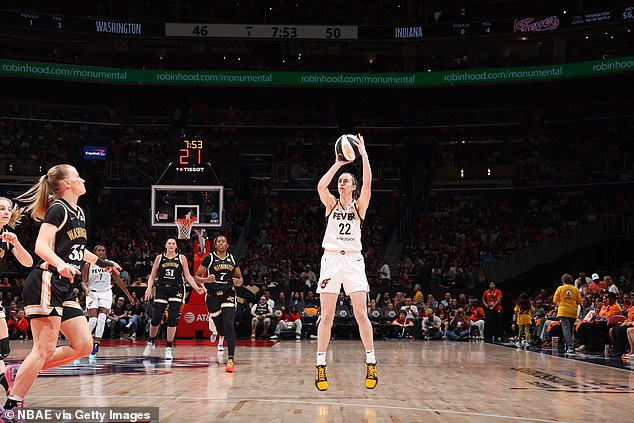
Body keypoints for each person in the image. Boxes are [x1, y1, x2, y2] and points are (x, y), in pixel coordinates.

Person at [1, 165, 121, 417]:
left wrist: (102, 263)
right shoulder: (58, 209)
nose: (83, 179)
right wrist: (61, 264)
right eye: (78, 176)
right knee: (43, 349)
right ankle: (11, 407)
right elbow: (41, 246)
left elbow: (78, 250)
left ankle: (20, 371)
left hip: (64, 287)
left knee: (83, 345)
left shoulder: (79, 211)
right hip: (46, 280)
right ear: (66, 184)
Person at [314, 134, 377, 391]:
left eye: (346, 181)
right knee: (326, 316)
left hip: (353, 260)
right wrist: (339, 164)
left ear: (353, 187)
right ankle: (320, 366)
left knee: (361, 313)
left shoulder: (359, 206)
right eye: (340, 181)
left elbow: (369, 183)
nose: (341, 183)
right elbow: (320, 186)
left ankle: (371, 362)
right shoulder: (330, 204)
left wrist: (363, 155)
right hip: (330, 259)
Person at [143, 238, 205, 360]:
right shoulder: (159, 258)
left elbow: (187, 276)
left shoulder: (181, 258)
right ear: (166, 245)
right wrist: (149, 288)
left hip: (176, 289)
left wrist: (196, 288)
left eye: (173, 243)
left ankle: (169, 347)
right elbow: (153, 275)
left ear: (176, 246)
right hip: (161, 288)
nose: (171, 245)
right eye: (169, 243)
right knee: (156, 318)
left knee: (172, 318)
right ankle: (151, 342)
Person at [194, 235, 243, 373]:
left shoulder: (232, 258)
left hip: (228, 294)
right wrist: (206, 280)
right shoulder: (209, 258)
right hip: (213, 296)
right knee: (221, 330)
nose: (221, 243)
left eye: (223, 241)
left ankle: (231, 359)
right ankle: (220, 335)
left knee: (229, 324)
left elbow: (240, 278)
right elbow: (196, 277)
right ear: (215, 245)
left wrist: (238, 282)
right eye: (218, 242)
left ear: (227, 245)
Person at [81, 245, 134, 358]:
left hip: (105, 293)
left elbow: (119, 282)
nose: (101, 252)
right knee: (93, 320)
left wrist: (128, 295)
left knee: (101, 319)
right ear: (94, 252)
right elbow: (84, 282)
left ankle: (96, 345)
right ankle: (80, 342)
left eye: (103, 250)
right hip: (92, 293)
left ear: (105, 253)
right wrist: (86, 289)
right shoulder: (88, 264)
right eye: (98, 250)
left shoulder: (110, 265)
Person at [0, 197, 33, 376]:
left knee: (4, 350)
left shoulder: (6, 237)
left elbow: (28, 263)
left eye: (8, 209)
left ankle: (9, 389)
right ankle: (9, 389)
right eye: (1, 208)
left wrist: (16, 243)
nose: (6, 212)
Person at [553, 273, 582, 355]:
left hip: (563, 311)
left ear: (563, 280)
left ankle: (570, 347)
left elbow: (555, 300)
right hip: (573, 311)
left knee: (566, 329)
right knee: (570, 330)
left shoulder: (560, 288)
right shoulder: (575, 289)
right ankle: (567, 345)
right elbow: (579, 301)